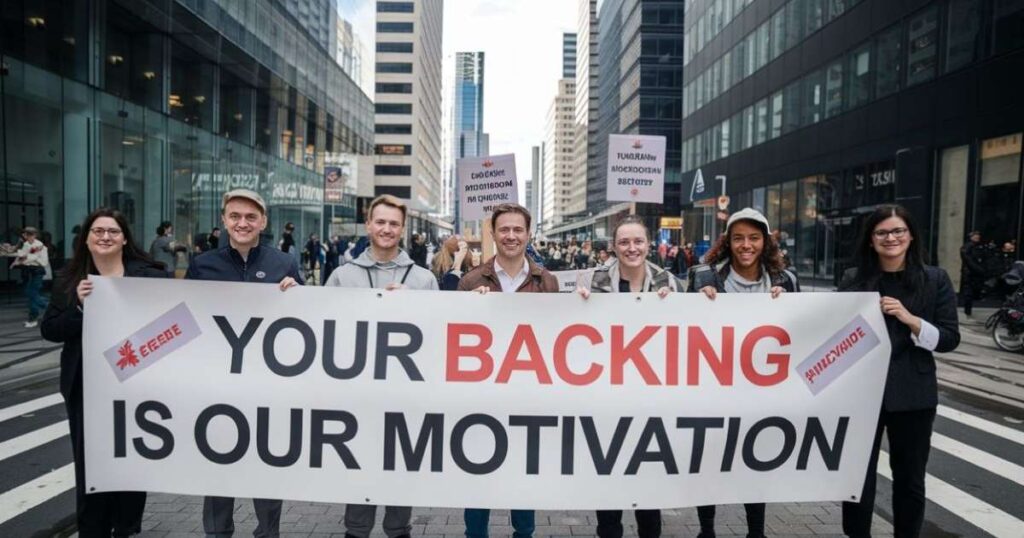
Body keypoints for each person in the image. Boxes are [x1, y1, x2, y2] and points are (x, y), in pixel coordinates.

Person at [41, 208, 167, 536]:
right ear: (86, 239)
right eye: (98, 232)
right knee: (91, 466)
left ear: (124, 238)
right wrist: (82, 308)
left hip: (135, 387)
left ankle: (125, 527)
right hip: (86, 388)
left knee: (130, 463)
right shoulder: (70, 280)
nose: (105, 237)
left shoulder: (149, 276)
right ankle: (92, 530)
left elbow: (174, 311)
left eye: (112, 231)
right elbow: (51, 329)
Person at [186, 189, 302, 538]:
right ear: (224, 220)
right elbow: (186, 317)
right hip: (219, 385)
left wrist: (297, 293)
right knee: (218, 463)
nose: (242, 223)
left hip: (268, 384)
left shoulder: (283, 263)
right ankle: (218, 532)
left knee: (267, 464)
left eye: (251, 217)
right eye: (235, 216)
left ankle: (268, 532)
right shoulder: (202, 264)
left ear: (263, 222)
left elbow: (307, 322)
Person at [839, 204, 959, 538]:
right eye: (882, 232)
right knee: (856, 476)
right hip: (862, 393)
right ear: (871, 239)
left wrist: (912, 321)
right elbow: (832, 328)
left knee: (910, 478)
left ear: (910, 235)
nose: (890, 238)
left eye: (897, 231)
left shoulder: (935, 279)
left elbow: (950, 338)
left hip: (914, 394)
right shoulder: (854, 278)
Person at [325, 195, 436, 538]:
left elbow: (438, 336)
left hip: (406, 401)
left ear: (402, 229)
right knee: (359, 474)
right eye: (381, 222)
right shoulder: (342, 276)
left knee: (400, 474)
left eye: (393, 223)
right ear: (369, 225)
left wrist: (412, 307)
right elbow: (323, 329)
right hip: (358, 401)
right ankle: (356, 530)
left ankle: (398, 529)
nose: (387, 229)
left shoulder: (423, 280)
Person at [687, 208, 799, 538]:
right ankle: (707, 529)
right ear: (728, 242)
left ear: (765, 242)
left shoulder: (785, 280)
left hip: (762, 391)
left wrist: (787, 304)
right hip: (714, 389)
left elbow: (802, 333)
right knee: (709, 462)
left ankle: (756, 531)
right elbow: (681, 330)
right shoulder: (703, 275)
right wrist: (696, 301)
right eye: (738, 238)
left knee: (756, 462)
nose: (745, 245)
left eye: (753, 238)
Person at [576, 215, 681, 538]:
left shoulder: (668, 282)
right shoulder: (593, 280)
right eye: (624, 242)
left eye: (638, 241)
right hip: (606, 402)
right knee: (608, 487)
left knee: (648, 490)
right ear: (614, 246)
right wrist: (577, 305)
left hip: (650, 403)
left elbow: (684, 336)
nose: (631, 248)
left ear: (649, 244)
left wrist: (676, 307)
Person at [458, 203, 558, 538]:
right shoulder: (471, 281)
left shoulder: (548, 282)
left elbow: (557, 336)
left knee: (522, 486)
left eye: (518, 230)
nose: (511, 236)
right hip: (481, 403)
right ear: (493, 233)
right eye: (504, 230)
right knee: (477, 485)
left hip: (527, 402)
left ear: (528, 234)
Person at [9, 227, 50, 327]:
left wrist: (25, 258)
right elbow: (22, 255)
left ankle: (47, 309)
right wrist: (16, 262)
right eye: (27, 235)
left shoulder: (39, 245)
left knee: (32, 293)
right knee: (30, 293)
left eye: (31, 235)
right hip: (29, 271)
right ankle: (39, 314)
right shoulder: (26, 244)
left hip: (37, 271)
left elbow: (37, 259)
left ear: (35, 235)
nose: (28, 237)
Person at [959, 231, 985, 316]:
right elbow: (968, 260)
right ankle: (967, 310)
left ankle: (968, 310)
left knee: (971, 292)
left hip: (972, 272)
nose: (978, 238)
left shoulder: (975, 247)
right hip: (969, 273)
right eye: (976, 236)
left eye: (978, 236)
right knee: (968, 292)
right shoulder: (968, 247)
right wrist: (978, 269)